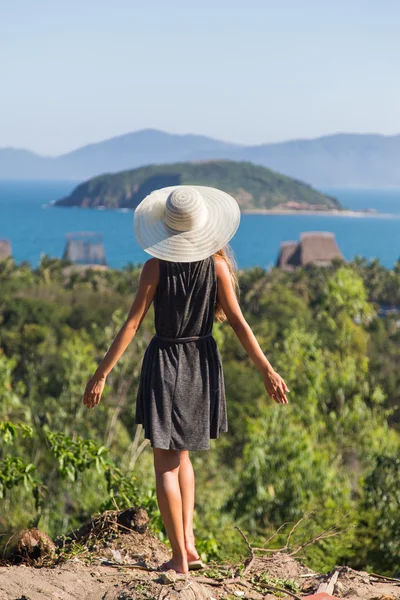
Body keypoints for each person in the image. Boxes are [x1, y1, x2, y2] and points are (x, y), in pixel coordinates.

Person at [82, 185, 289, 575]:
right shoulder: (218, 267)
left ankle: (179, 558)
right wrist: (267, 369)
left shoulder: (155, 267)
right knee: (183, 457)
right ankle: (189, 543)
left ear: (166, 229)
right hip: (202, 361)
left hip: (166, 361)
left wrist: (101, 374)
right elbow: (241, 326)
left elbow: (131, 324)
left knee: (165, 464)